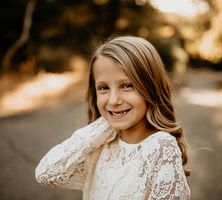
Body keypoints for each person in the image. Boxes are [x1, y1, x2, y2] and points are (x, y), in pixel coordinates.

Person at [35, 36, 191, 199]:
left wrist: (113, 116)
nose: (113, 100)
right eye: (104, 88)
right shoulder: (101, 145)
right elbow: (46, 173)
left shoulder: (161, 147)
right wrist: (107, 122)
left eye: (127, 86)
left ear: (151, 87)